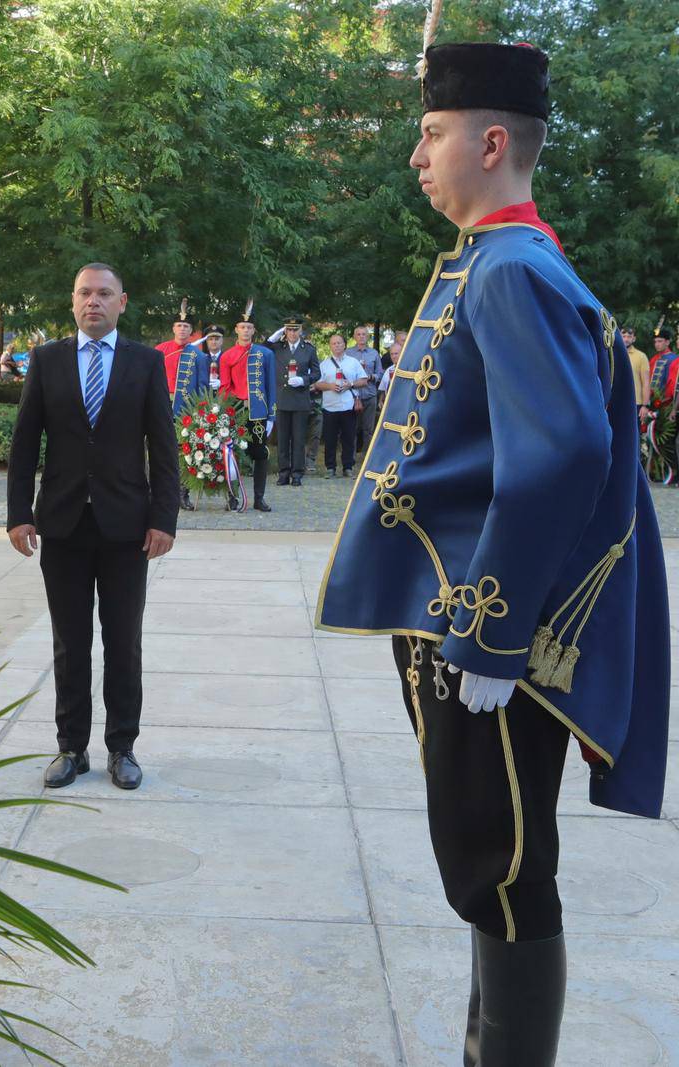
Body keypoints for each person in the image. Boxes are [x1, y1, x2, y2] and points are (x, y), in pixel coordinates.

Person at [316, 41, 668, 1066]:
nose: (418, 156)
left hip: (477, 639)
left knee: (503, 867)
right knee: (483, 858)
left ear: (493, 139)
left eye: (431, 135)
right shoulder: (493, 258)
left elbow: (560, 452)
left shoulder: (510, 267)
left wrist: (492, 633)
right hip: (455, 622)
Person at [6, 263, 178, 790]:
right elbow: (23, 443)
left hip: (127, 526)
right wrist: (18, 514)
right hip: (61, 524)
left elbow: (163, 447)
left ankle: (122, 748)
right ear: (72, 299)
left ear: (122, 302)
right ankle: (70, 748)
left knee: (123, 641)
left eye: (104, 294)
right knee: (69, 641)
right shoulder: (47, 359)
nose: (93, 302)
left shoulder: (146, 363)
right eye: (85, 293)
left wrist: (164, 518)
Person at [219, 311, 276, 512]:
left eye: (249, 327)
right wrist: (225, 414)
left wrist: (271, 416)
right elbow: (224, 387)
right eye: (242, 327)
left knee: (260, 455)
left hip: (259, 414)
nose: (245, 331)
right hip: (236, 413)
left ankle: (259, 499)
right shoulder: (227, 356)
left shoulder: (266, 354)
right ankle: (232, 497)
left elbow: (271, 386)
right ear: (236, 329)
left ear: (254, 330)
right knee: (232, 456)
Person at [157, 305, 209, 510]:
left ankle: (181, 493)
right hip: (160, 406)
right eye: (179, 325)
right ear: (173, 328)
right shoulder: (160, 351)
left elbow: (203, 387)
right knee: (157, 450)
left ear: (191, 331)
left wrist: (200, 413)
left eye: (186, 326)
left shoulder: (198, 356)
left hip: (185, 410)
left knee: (184, 452)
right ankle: (156, 492)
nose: (182, 329)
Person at [271, 318, 319, 486]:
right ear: (285, 331)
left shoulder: (309, 349)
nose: (292, 333)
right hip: (283, 398)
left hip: (299, 399)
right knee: (283, 439)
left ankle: (297, 473)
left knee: (298, 439)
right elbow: (263, 348)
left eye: (295, 330)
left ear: (300, 331)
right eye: (289, 330)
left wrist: (304, 380)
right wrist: (274, 336)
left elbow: (316, 373)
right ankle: (283, 472)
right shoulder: (278, 348)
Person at [316, 333, 368, 477]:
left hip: (348, 406)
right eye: (334, 343)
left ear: (344, 345)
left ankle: (348, 467)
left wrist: (350, 384)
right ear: (330, 346)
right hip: (330, 406)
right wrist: (330, 386)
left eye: (339, 343)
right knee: (330, 438)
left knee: (348, 438)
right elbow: (317, 383)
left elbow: (364, 380)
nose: (337, 346)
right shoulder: (324, 364)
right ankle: (330, 467)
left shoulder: (353, 362)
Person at [347, 325, 384, 461]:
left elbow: (380, 374)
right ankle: (350, 458)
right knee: (352, 428)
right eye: (359, 334)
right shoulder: (348, 353)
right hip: (353, 396)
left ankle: (367, 457)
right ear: (354, 337)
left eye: (364, 334)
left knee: (368, 429)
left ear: (367, 337)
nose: (361, 336)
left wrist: (371, 377)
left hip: (369, 395)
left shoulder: (374, 353)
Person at [620, 325, 649, 422]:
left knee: (633, 435)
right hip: (616, 400)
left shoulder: (641, 356)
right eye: (623, 336)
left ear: (634, 339)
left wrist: (645, 405)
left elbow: (646, 383)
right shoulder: (613, 355)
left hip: (635, 402)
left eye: (629, 336)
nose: (626, 339)